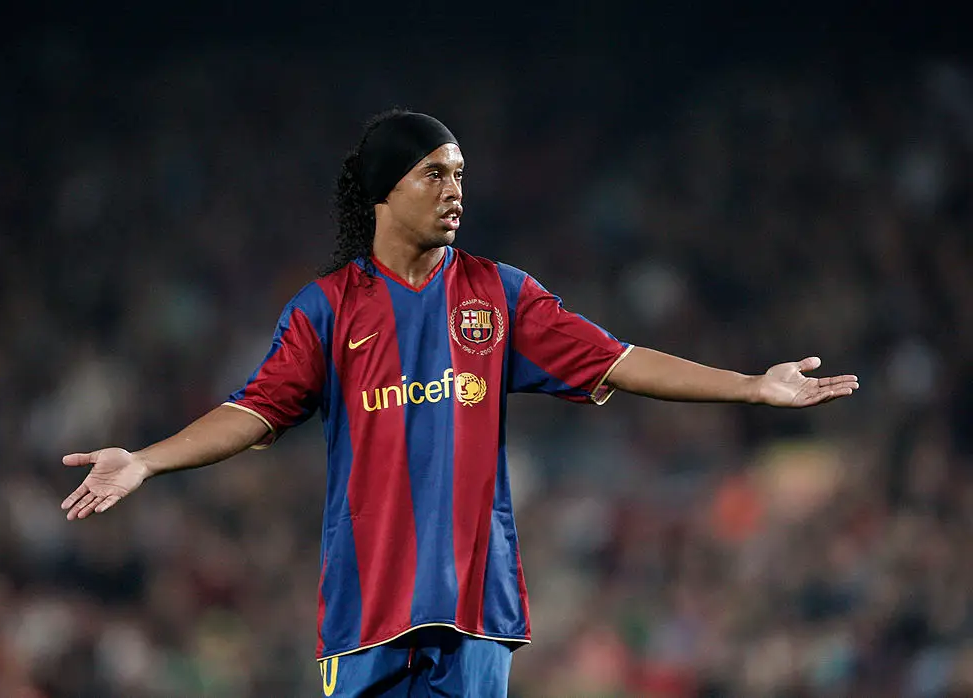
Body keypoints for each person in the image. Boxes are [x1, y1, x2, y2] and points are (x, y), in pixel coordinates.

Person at [60, 110, 859, 697]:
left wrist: (752, 385)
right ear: (383, 190)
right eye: (435, 173)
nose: (455, 191)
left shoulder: (498, 294)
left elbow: (619, 357)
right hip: (366, 611)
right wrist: (146, 461)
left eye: (461, 175)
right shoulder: (327, 309)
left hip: (476, 610)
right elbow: (254, 410)